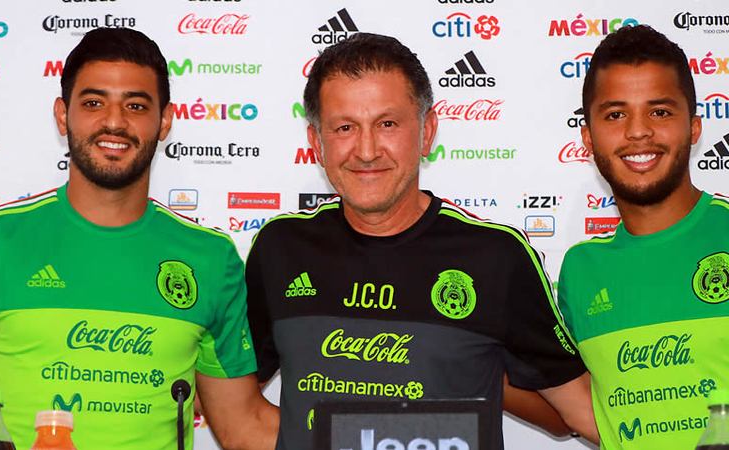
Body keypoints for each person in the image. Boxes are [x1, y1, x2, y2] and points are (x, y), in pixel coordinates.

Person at [244, 32, 598, 450]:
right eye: (344, 127)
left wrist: (474, 374)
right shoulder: (279, 249)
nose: (367, 150)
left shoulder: (496, 257)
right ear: (316, 143)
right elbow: (230, 400)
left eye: (387, 124)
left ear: (427, 132)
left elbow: (578, 414)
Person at [0, 28, 278, 450]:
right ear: (62, 115)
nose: (114, 122)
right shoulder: (0, 240)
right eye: (93, 103)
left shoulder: (211, 258)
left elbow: (244, 424)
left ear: (165, 121)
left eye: (136, 105)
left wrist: (366, 434)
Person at [558, 24, 729, 449]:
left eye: (660, 112)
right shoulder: (580, 270)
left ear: (694, 128)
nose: (638, 131)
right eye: (616, 115)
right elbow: (585, 408)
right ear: (588, 137)